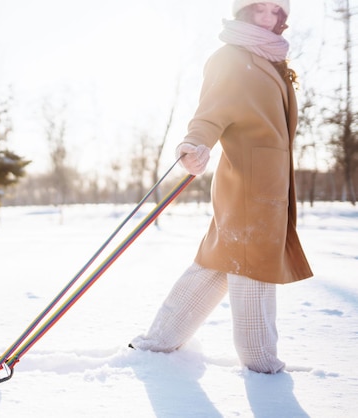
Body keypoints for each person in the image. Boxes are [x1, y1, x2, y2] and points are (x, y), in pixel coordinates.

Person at [130, 0, 313, 374]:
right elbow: (208, 115)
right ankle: (261, 363)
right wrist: (193, 145)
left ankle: (158, 342)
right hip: (249, 183)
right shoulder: (230, 57)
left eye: (275, 11)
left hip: (267, 181)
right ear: (242, 11)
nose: (267, 17)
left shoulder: (271, 60)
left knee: (218, 263)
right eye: (258, 9)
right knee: (253, 266)